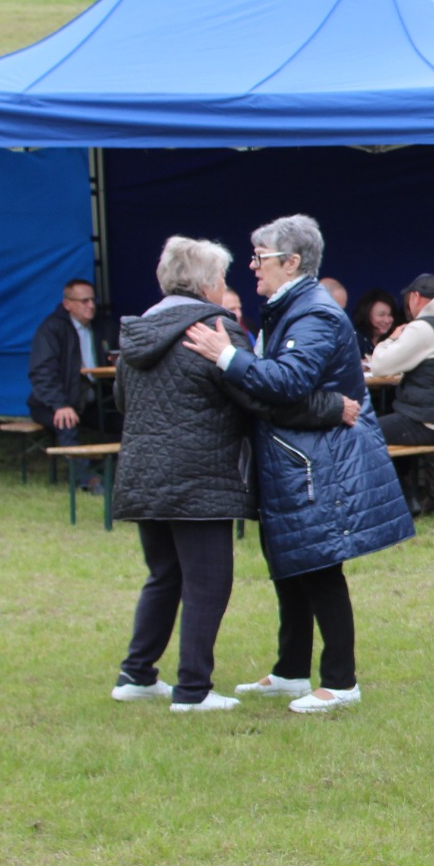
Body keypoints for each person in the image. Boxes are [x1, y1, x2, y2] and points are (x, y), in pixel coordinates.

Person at [109, 236, 356, 712]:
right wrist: (331, 406)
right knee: (208, 582)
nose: (228, 285)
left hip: (143, 473)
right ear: (206, 284)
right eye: (222, 278)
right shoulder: (215, 330)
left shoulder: (137, 331)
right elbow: (263, 398)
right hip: (201, 475)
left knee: (164, 576)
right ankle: (193, 690)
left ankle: (137, 675)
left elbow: (122, 402)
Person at [183, 214, 414, 714]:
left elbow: (287, 382)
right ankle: (291, 670)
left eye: (260, 257)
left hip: (317, 463)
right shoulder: (287, 308)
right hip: (294, 460)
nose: (251, 266)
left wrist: (227, 356)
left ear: (292, 262)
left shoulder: (314, 314)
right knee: (290, 564)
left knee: (320, 567)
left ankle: (341, 681)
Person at [370, 274, 434, 513]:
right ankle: (423, 496)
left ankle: (405, 499)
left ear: (415, 297)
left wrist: (390, 340)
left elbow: (380, 366)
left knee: (364, 433)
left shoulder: (423, 328)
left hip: (423, 421)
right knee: (387, 425)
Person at [27, 278, 107, 485]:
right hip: (50, 403)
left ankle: (118, 472)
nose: (90, 305)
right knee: (66, 422)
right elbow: (42, 372)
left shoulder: (101, 327)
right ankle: (87, 480)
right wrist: (59, 404)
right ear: (67, 304)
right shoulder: (52, 329)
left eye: (92, 300)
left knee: (123, 420)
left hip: (89, 399)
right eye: (84, 301)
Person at [351, 288, 400, 359]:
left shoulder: (394, 339)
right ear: (367, 314)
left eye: (390, 315)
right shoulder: (354, 339)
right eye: (381, 315)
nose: (387, 320)